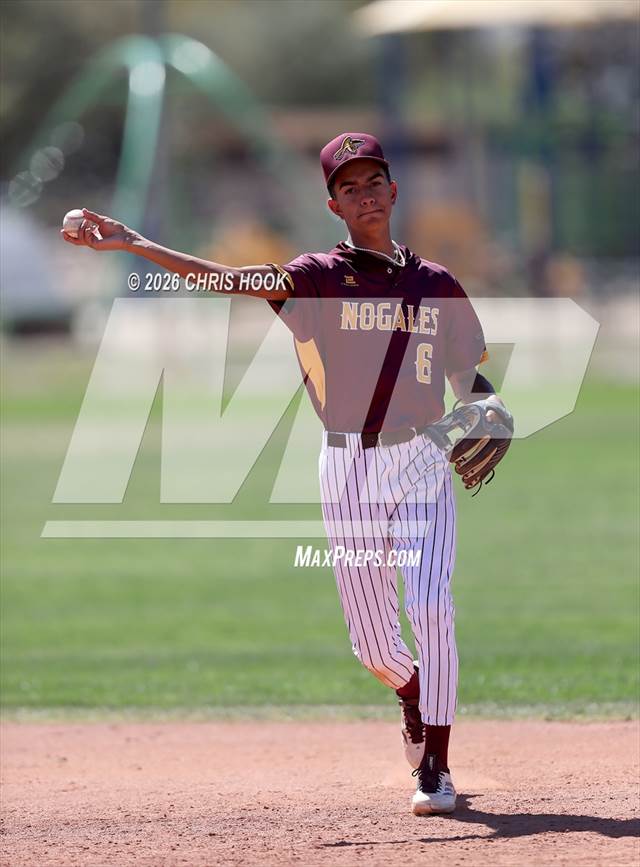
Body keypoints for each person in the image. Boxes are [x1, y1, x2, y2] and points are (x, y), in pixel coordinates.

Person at [62, 132, 511, 816]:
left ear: (394, 190)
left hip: (421, 460)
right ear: (334, 204)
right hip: (346, 467)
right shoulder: (314, 278)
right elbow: (224, 279)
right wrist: (132, 243)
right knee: (373, 644)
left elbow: (466, 379)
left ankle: (437, 769)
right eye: (349, 186)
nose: (364, 194)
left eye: (374, 181)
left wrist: (487, 402)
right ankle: (414, 697)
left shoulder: (437, 285)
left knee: (431, 606)